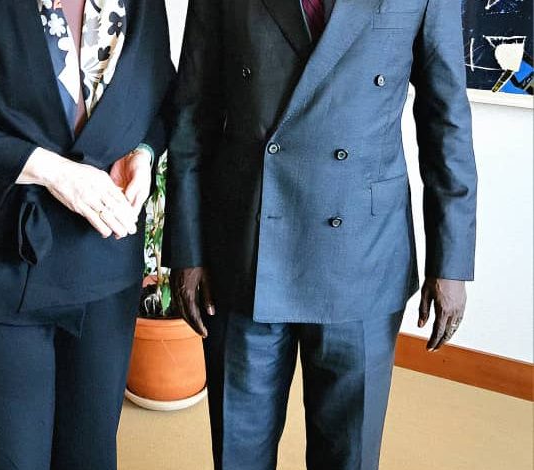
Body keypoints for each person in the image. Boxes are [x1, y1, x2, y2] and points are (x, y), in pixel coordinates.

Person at [164, 0, 477, 469]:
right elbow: (192, 114)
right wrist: (188, 249)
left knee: (348, 456)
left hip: (362, 255)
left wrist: (450, 262)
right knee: (239, 453)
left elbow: (446, 119)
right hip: (246, 249)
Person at [0, 0, 174, 468]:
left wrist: (145, 154)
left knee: (88, 453)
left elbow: (159, 90)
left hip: (105, 269)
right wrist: (50, 171)